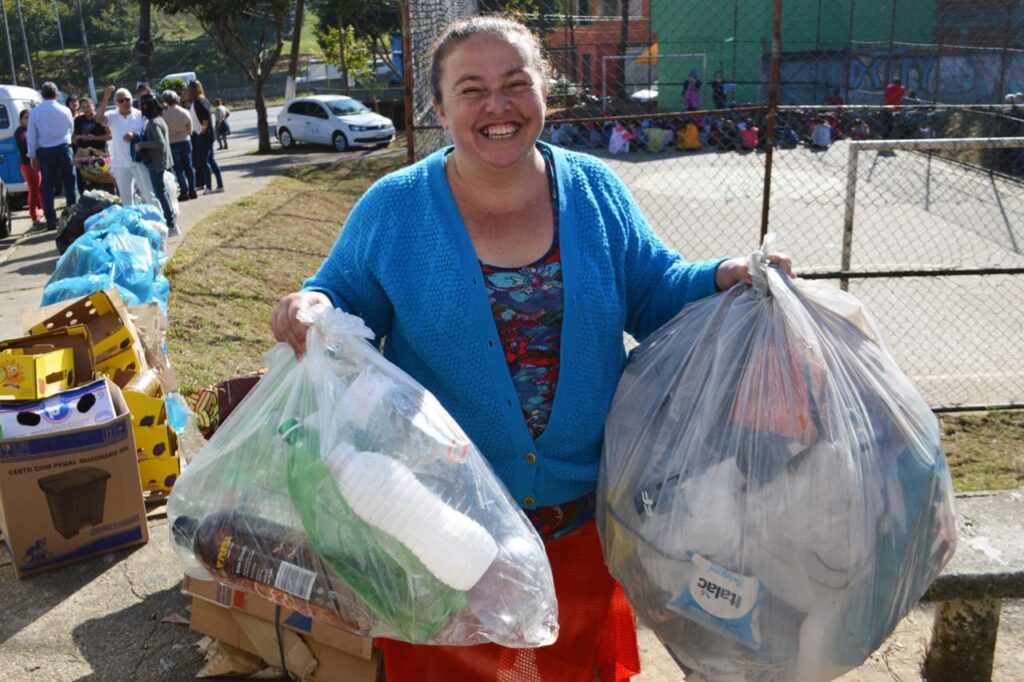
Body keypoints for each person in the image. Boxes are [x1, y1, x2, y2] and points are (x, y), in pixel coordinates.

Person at [270, 15, 793, 682]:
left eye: (516, 84)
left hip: (577, 533)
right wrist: (307, 306)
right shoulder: (394, 208)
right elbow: (338, 296)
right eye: (472, 89)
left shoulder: (595, 192)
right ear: (438, 107)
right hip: (441, 536)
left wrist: (725, 274)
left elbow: (655, 289)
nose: (498, 107)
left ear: (546, 90)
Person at [96, 84, 159, 208]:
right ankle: (133, 223)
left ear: (132, 99)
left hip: (139, 161)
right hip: (121, 164)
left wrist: (134, 135)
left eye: (127, 99)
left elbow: (148, 135)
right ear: (115, 102)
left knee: (149, 194)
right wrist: (105, 98)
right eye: (121, 100)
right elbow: (98, 119)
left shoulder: (140, 115)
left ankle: (162, 222)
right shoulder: (112, 115)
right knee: (127, 200)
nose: (125, 102)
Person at [26, 81, 77, 230]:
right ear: (57, 94)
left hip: (45, 151)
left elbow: (31, 136)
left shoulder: (35, 112)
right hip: (63, 148)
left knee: (47, 186)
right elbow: (71, 128)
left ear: (42, 95)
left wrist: (32, 155)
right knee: (69, 183)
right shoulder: (65, 110)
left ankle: (51, 219)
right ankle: (71, 215)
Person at [134, 94, 178, 237]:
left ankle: (171, 224)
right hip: (161, 161)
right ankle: (171, 222)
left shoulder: (153, 122)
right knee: (162, 192)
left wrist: (141, 144)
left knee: (161, 194)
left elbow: (160, 143)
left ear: (147, 106)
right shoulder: (160, 119)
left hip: (156, 163)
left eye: (142, 105)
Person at [188, 80, 225, 194]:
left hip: (203, 135)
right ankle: (219, 185)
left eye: (189, 89)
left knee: (204, 161)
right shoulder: (201, 100)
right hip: (204, 134)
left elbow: (205, 116)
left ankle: (208, 186)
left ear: (193, 89)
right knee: (210, 160)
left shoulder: (199, 101)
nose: (188, 91)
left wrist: (203, 129)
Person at [162, 89, 197, 201]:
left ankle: (184, 191)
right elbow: (190, 130)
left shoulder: (162, 114)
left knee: (178, 169)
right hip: (185, 140)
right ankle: (193, 190)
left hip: (171, 142)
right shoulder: (184, 111)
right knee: (189, 167)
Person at [13, 109, 43, 225]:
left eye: (30, 117)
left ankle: (47, 212)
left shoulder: (36, 129)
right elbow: (24, 146)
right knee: (34, 190)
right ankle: (35, 218)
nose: (29, 119)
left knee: (42, 190)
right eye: (26, 117)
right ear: (21, 120)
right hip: (27, 164)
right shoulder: (20, 132)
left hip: (40, 163)